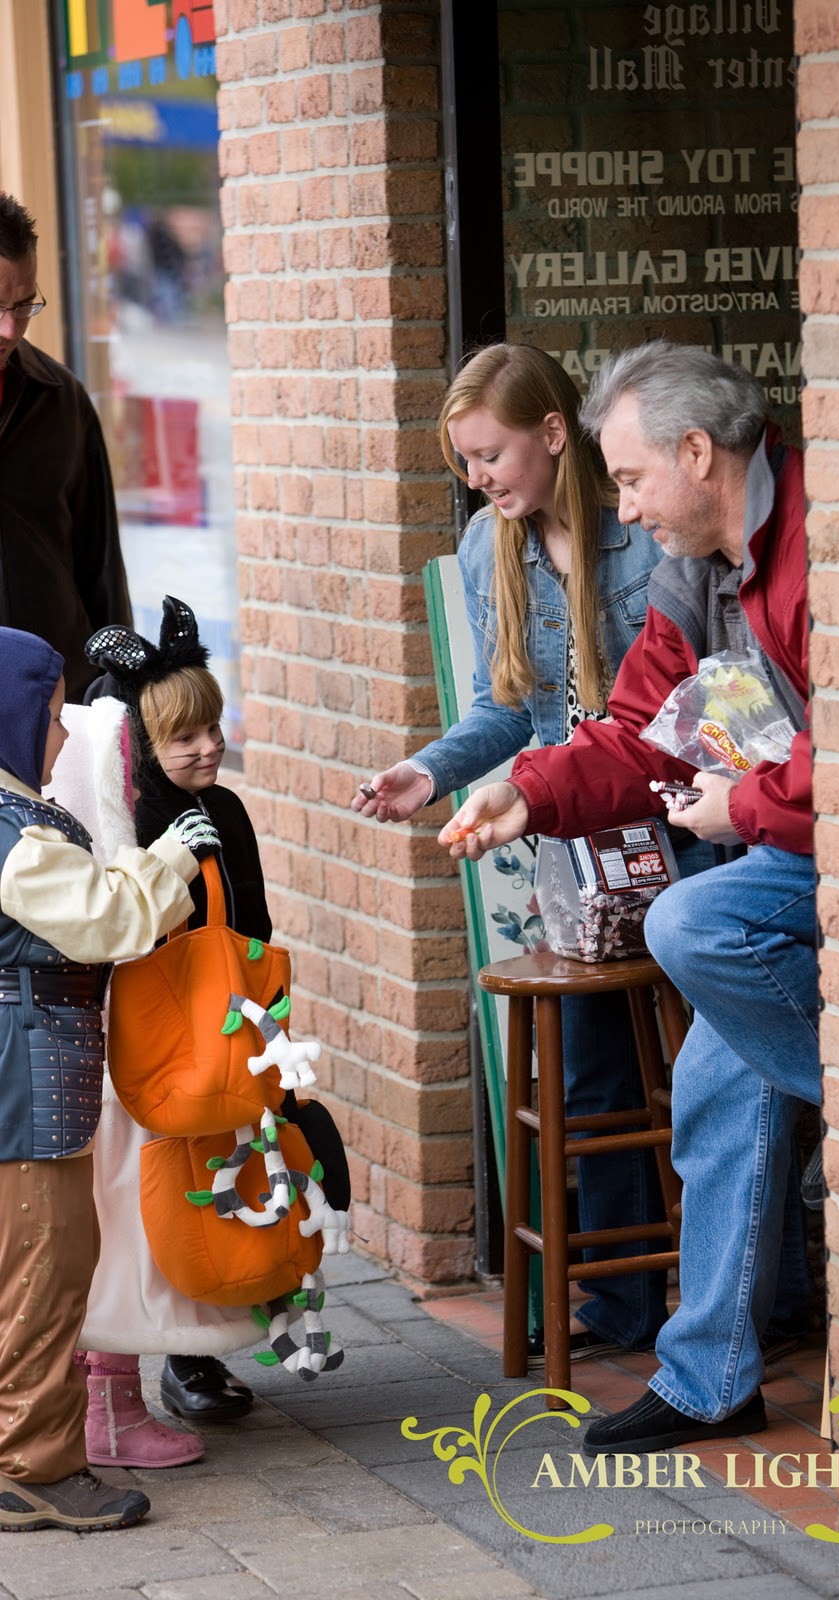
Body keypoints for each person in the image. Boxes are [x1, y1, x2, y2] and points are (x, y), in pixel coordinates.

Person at [439, 342, 817, 1452]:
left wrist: (742, 808)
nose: (621, 505)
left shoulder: (823, 548)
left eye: (631, 476)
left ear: (697, 453)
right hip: (791, 837)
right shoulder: (691, 569)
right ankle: (708, 1381)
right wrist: (527, 791)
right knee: (713, 1073)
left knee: (690, 919)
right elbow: (639, 729)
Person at [353, 342, 694, 1361]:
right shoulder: (482, 547)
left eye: (489, 454)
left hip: (677, 823)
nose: (478, 478)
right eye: (463, 461)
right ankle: (626, 1303)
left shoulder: (644, 536)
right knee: (590, 1068)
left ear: (552, 434)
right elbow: (507, 707)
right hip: (568, 840)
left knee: (712, 1061)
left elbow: (687, 698)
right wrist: (427, 769)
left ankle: (771, 1299)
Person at [85, 596, 351, 1424]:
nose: (206, 747)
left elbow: (255, 920)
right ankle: (180, 1354)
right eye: (182, 738)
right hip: (166, 1034)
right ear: (142, 744)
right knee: (173, 1186)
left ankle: (219, 1339)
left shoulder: (227, 810)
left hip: (236, 1022)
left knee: (239, 1171)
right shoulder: (129, 817)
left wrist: (267, 1007)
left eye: (212, 727)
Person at [0, 625, 219, 1532]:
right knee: (44, 1278)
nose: (63, 740)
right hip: (22, 1081)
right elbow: (104, 919)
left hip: (24, 1074)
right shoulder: (11, 836)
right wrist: (168, 858)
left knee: (32, 1273)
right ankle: (33, 1468)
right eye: (50, 720)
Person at [0, 192, 131, 703]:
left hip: (59, 703)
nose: (10, 328)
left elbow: (100, 563)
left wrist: (120, 694)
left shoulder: (62, 397)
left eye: (24, 304)